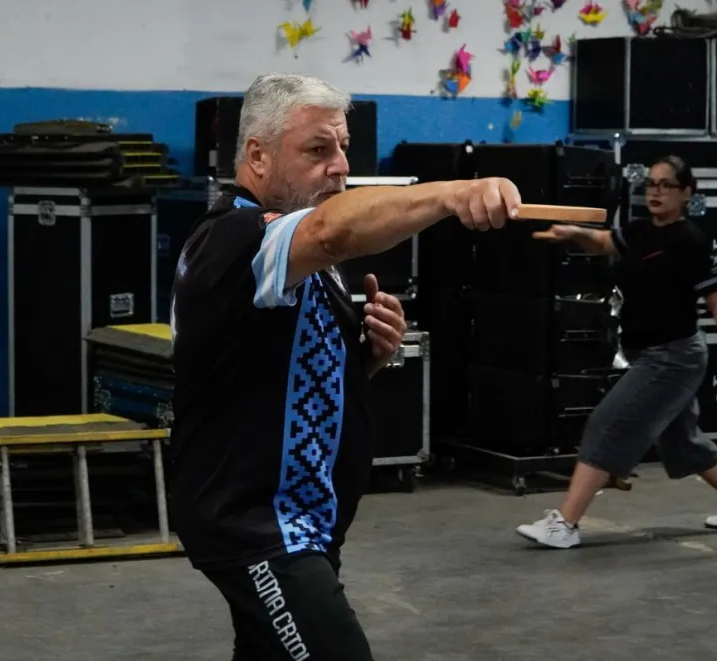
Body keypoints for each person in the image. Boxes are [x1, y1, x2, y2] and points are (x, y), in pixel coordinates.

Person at [168, 73, 524, 660]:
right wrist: (450, 194)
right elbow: (335, 233)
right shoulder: (234, 238)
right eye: (317, 150)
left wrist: (367, 357)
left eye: (342, 148)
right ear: (256, 154)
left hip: (304, 523)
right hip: (257, 529)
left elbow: (265, 374)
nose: (339, 166)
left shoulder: (292, 247)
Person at [516, 155, 717, 549]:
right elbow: (604, 242)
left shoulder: (691, 243)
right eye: (651, 184)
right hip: (650, 353)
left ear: (686, 193)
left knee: (606, 423)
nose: (656, 191)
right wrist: (572, 232)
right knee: (683, 441)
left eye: (666, 185)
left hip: (673, 357)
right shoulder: (639, 231)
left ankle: (565, 523)